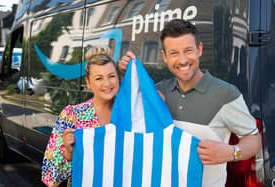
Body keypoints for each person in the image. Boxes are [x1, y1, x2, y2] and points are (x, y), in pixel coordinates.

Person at [118, 19, 261, 186]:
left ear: (199, 49)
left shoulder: (226, 94)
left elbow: (253, 139)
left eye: (188, 50)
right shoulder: (159, 92)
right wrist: (129, 75)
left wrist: (232, 152)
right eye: (174, 53)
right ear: (164, 56)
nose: (183, 60)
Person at [42, 46, 120, 187]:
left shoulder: (129, 114)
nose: (107, 84)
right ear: (88, 83)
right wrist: (68, 152)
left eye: (112, 76)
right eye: (99, 78)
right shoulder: (72, 115)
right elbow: (50, 176)